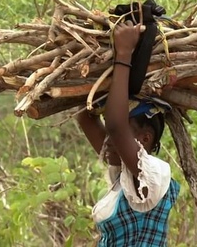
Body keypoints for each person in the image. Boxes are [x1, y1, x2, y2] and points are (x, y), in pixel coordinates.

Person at [77, 20, 180, 246]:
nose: (108, 141)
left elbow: (115, 126)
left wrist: (123, 55)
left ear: (145, 138)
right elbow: (85, 116)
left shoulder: (153, 176)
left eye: (121, 133)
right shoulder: (124, 173)